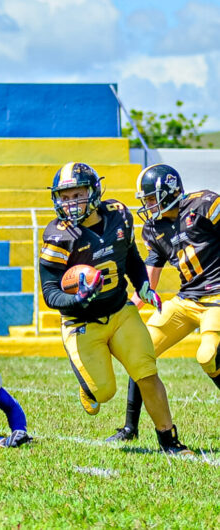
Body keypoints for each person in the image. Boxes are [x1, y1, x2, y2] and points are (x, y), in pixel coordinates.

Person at [39, 161, 192, 455]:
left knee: (146, 372)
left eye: (77, 194)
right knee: (104, 392)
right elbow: (49, 292)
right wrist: (77, 299)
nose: (70, 203)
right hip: (81, 322)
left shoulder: (119, 215)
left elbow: (131, 255)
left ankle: (168, 440)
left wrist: (142, 285)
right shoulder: (58, 235)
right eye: (65, 197)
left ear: (94, 192)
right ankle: (88, 386)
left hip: (121, 311)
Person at [106, 163, 219, 442]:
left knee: (207, 356)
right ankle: (130, 429)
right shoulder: (153, 228)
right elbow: (149, 280)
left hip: (217, 296)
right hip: (187, 299)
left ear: (169, 192)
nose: (147, 205)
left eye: (150, 198)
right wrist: (128, 306)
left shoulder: (205, 204)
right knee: (139, 353)